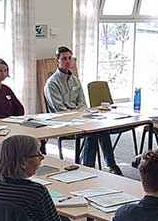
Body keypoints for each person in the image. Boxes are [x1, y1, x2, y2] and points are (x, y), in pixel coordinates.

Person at [44, 46, 121, 175]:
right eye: (64, 59)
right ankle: (87, 168)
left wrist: (81, 116)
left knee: (102, 128)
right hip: (62, 122)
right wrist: (78, 115)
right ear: (57, 60)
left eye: (70, 58)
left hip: (80, 118)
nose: (68, 61)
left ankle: (111, 164)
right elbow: (59, 110)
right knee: (91, 133)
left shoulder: (75, 80)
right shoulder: (52, 83)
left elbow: (83, 104)